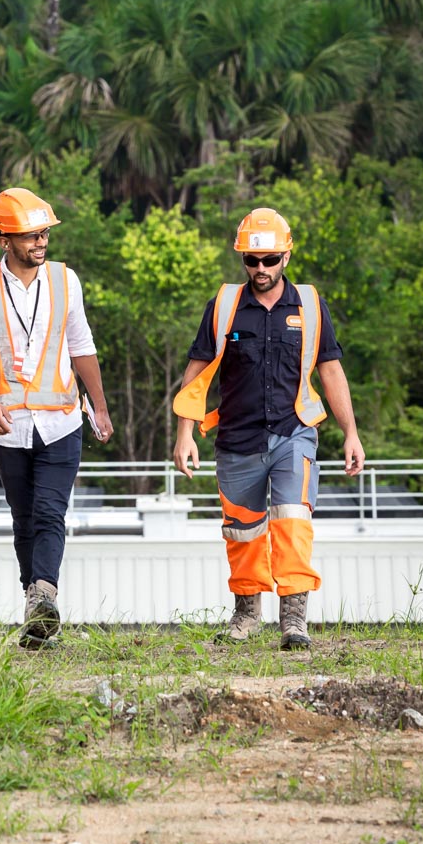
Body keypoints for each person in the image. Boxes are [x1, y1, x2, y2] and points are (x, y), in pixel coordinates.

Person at [171, 208, 365, 650]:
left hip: (293, 431)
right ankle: (246, 615)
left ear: (287, 256)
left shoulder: (311, 307)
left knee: (293, 522)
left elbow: (331, 372)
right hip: (236, 438)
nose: (261, 269)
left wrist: (350, 432)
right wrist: (184, 434)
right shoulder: (223, 307)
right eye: (252, 261)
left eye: (270, 260)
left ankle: (293, 620)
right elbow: (196, 374)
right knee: (242, 531)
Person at [0, 187, 115, 650]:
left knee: (51, 511)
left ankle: (44, 593)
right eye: (30, 235)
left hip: (62, 421)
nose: (40, 242)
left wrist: (99, 406)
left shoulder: (67, 281)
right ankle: (37, 607)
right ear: (4, 239)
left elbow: (81, 345)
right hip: (8, 424)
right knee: (23, 517)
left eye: (44, 233)